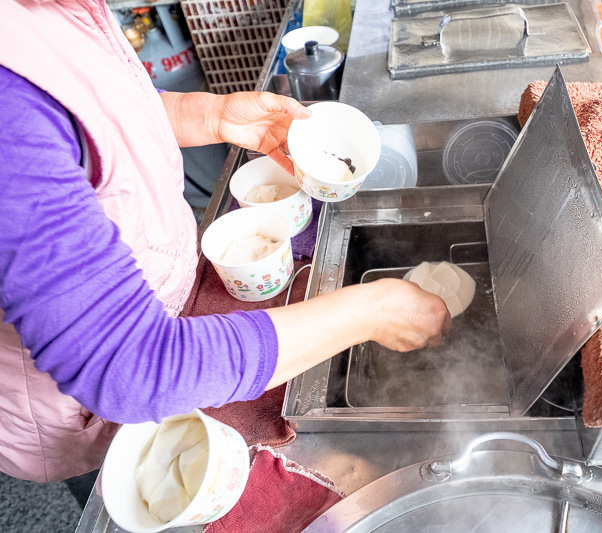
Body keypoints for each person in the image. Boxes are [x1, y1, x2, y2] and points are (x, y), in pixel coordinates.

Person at [0, 0, 451, 483]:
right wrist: (370, 311)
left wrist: (209, 115)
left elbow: (94, 121)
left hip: (159, 314)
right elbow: (129, 367)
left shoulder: (46, 13)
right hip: (71, 411)